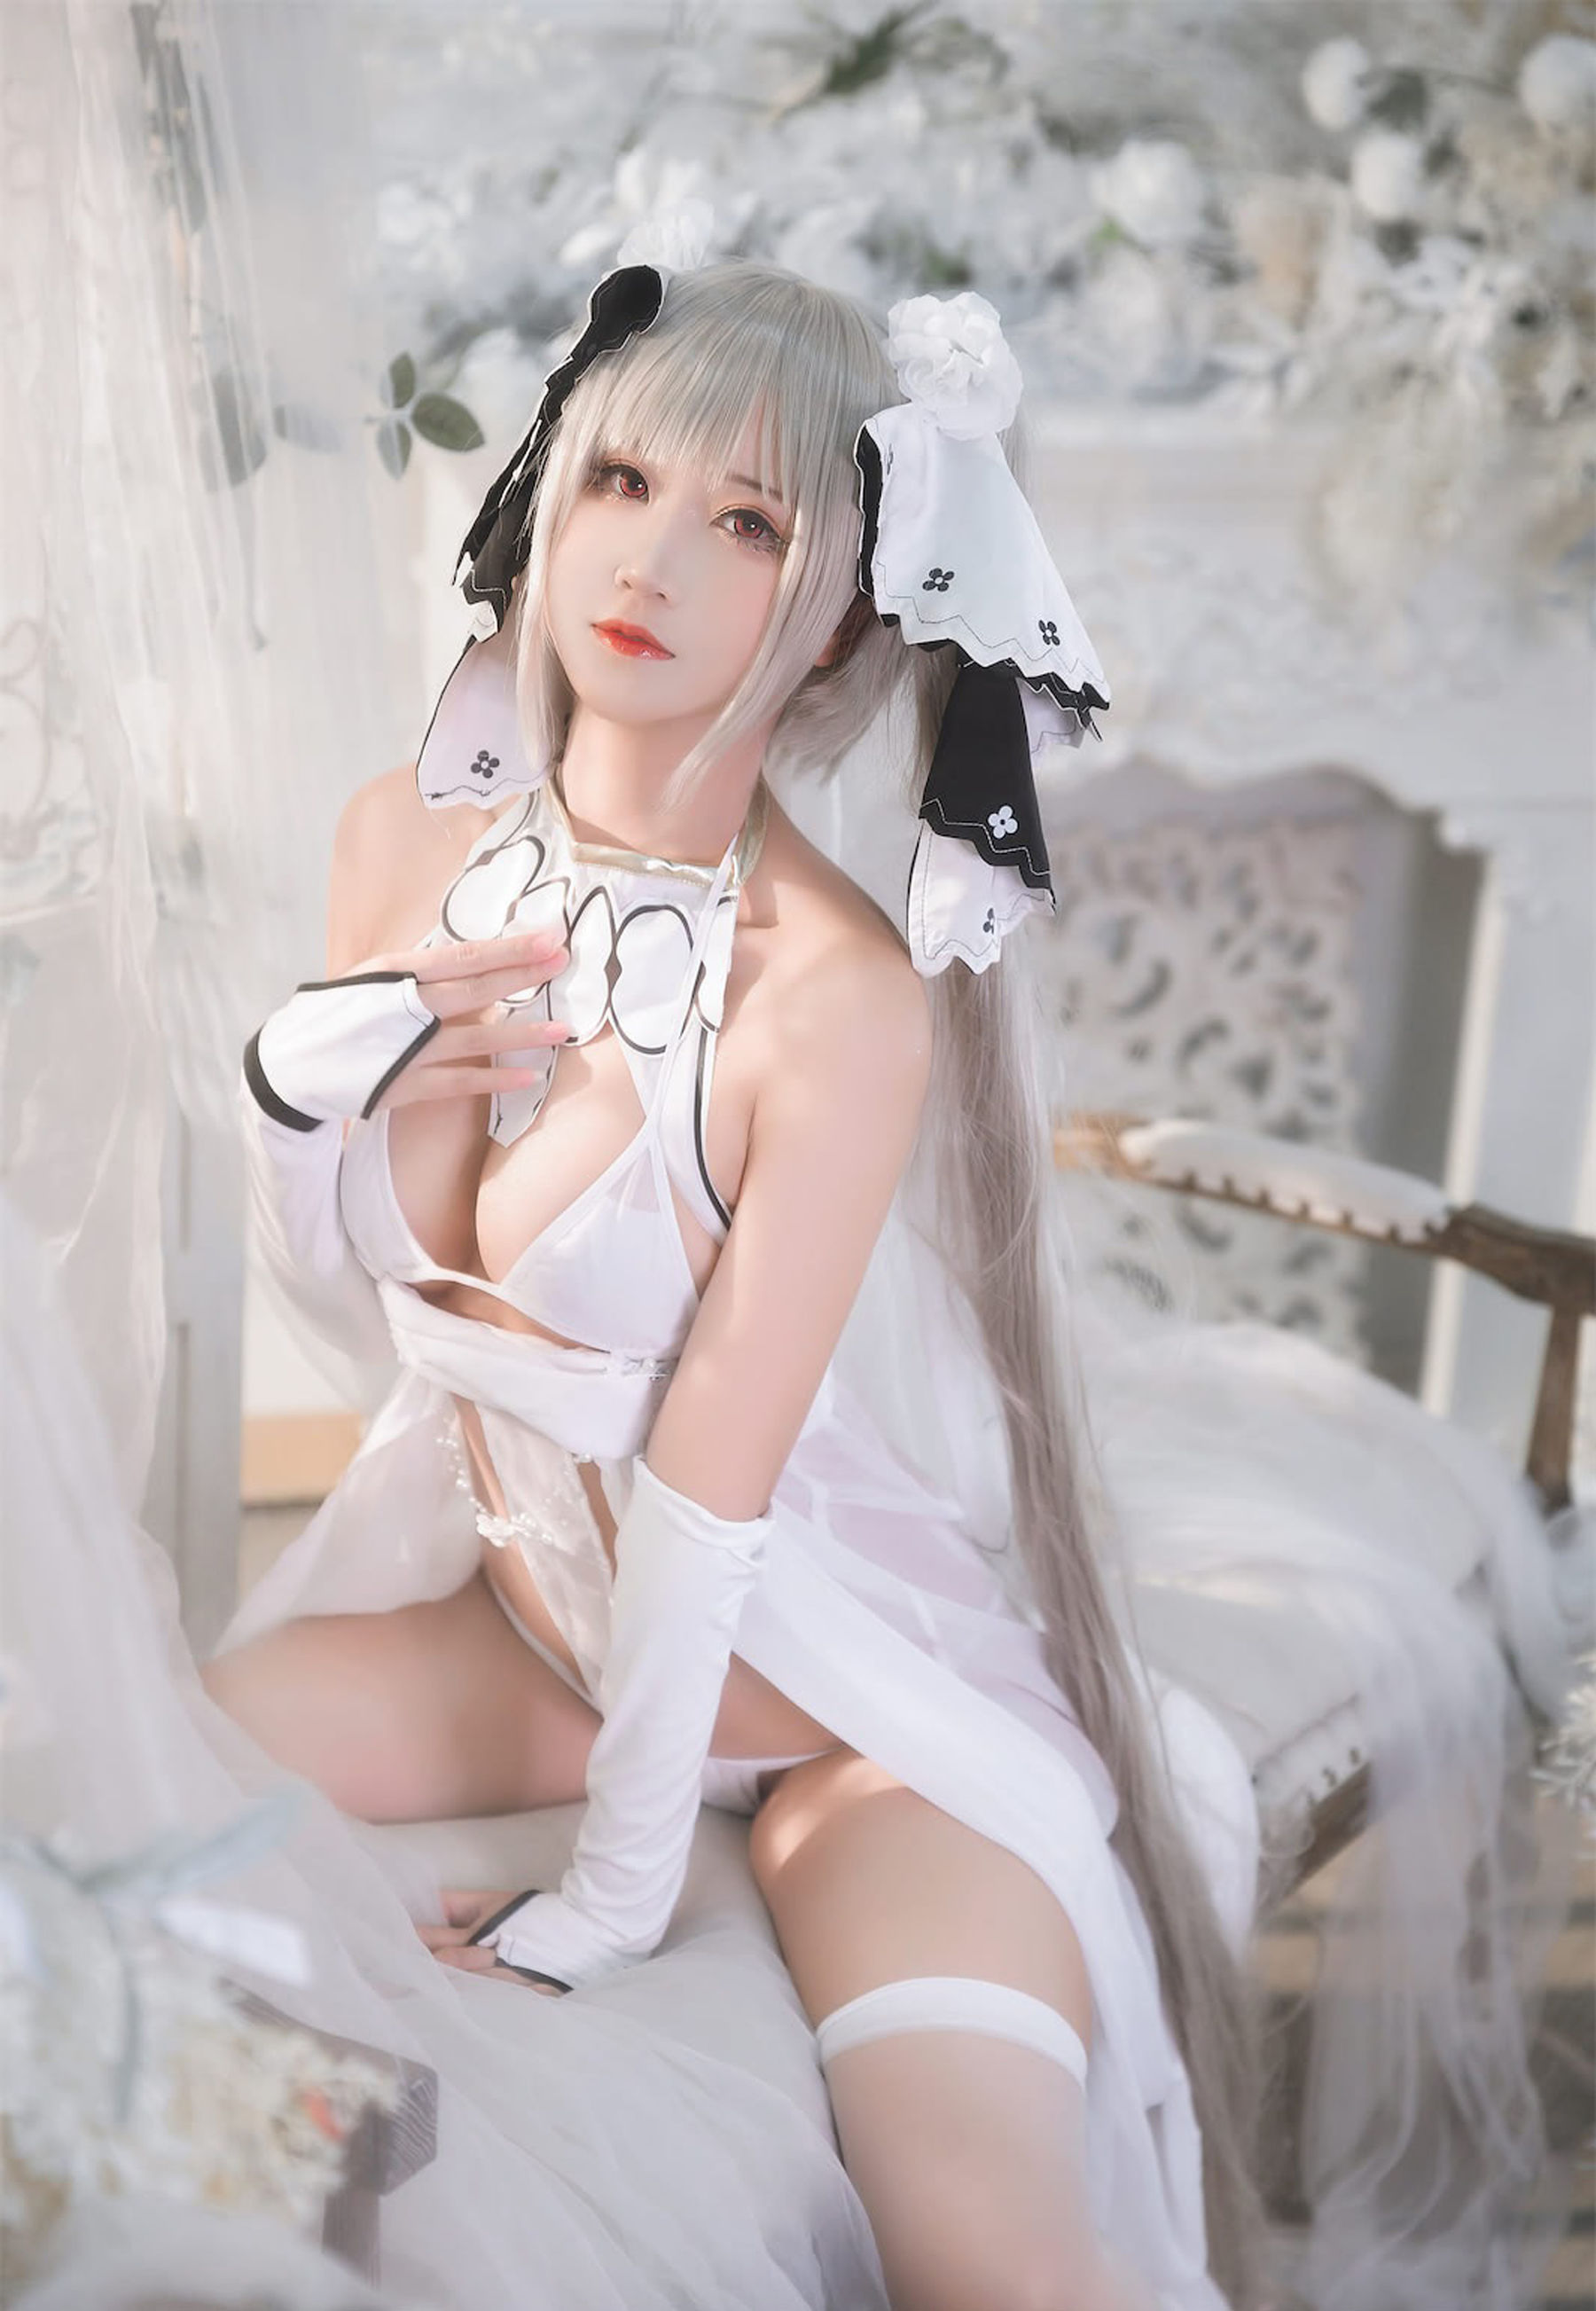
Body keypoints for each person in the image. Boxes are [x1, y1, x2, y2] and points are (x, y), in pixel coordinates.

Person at [200, 239, 1579, 2311]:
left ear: (843, 604)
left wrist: (621, 1893)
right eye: (621, 480)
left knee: (983, 2248)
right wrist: (307, 1081)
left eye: (747, 522)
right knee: (135, 1797)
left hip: (840, 1688)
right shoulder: (407, 834)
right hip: (529, 1633)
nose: (650, 558)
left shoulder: (831, 997)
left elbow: (714, 1480)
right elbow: (377, 1322)